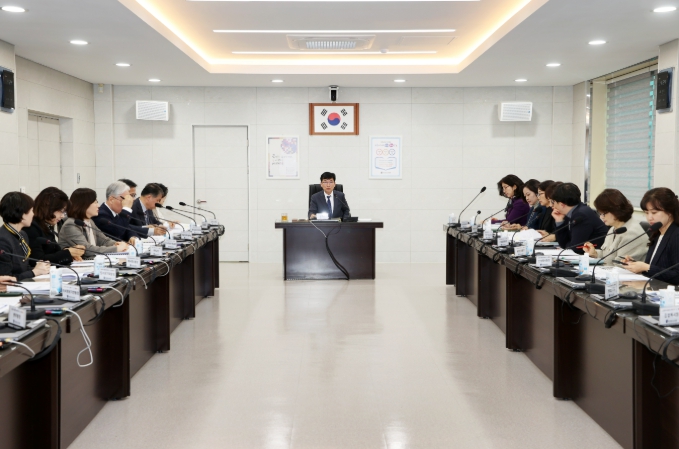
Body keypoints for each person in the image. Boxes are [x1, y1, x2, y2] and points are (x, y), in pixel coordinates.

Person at [623, 188, 679, 284]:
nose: (649, 217)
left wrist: (646, 267)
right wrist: (636, 265)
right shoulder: (657, 232)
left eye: (654, 213)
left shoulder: (676, 235)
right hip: (652, 287)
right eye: (646, 212)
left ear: (669, 212)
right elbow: (657, 267)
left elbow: (677, 276)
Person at [582, 189, 649, 264]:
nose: (601, 217)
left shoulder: (632, 233)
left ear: (615, 210)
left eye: (604, 213)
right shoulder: (614, 228)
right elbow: (607, 255)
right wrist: (595, 253)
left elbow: (620, 265)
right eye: (600, 213)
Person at [24, 187, 85, 266]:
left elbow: (54, 252)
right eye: (61, 211)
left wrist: (70, 253)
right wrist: (67, 253)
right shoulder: (31, 227)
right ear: (49, 208)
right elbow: (37, 260)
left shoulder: (46, 225)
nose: (62, 216)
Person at [59, 188, 129, 255]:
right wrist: (116, 249)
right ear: (84, 205)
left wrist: (116, 243)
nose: (98, 206)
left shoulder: (89, 221)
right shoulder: (71, 224)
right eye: (95, 202)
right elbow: (87, 250)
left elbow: (103, 240)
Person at [0, 192, 50, 280]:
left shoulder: (22, 234)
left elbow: (22, 269)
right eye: (31, 211)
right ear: (22, 215)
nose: (33, 214)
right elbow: (6, 279)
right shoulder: (3, 240)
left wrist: (38, 268)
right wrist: (34, 272)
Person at [551, 183, 609, 255]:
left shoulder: (581, 215)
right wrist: (559, 221)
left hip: (597, 256)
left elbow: (576, 247)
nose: (552, 205)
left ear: (562, 204)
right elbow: (564, 244)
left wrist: (567, 245)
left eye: (553, 202)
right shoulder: (573, 212)